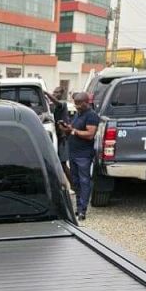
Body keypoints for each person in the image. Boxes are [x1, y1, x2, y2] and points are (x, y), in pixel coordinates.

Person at [62, 91, 99, 220]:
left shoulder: (91, 115)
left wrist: (73, 131)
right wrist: (67, 129)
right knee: (76, 181)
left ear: (86, 102)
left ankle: (83, 209)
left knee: (84, 181)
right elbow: (74, 129)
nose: (76, 106)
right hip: (73, 153)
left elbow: (90, 134)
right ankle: (78, 208)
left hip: (83, 155)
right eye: (75, 103)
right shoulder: (78, 114)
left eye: (79, 104)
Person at [49, 86, 71, 183]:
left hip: (63, 138)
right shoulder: (52, 106)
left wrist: (46, 93)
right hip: (57, 137)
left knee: (63, 164)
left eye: (57, 92)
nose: (55, 94)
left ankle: (73, 184)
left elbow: (57, 103)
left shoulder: (62, 104)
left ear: (62, 94)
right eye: (54, 92)